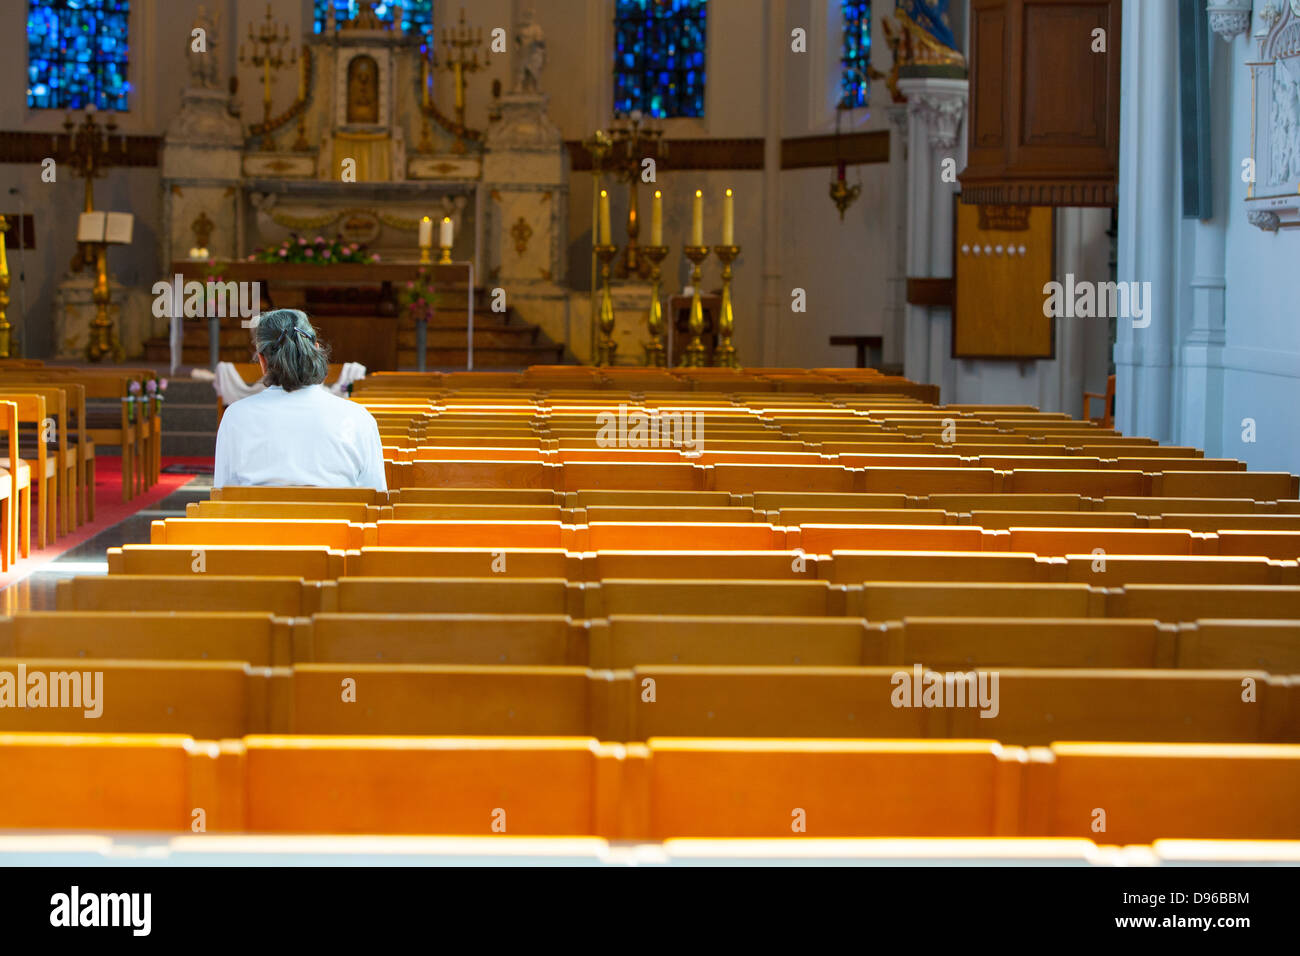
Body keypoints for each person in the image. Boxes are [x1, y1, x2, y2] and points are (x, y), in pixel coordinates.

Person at [213, 309, 387, 490]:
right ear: (316, 350)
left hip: (262, 517)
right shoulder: (358, 418)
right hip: (334, 517)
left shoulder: (236, 417)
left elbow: (223, 495)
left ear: (262, 361)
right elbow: (377, 497)